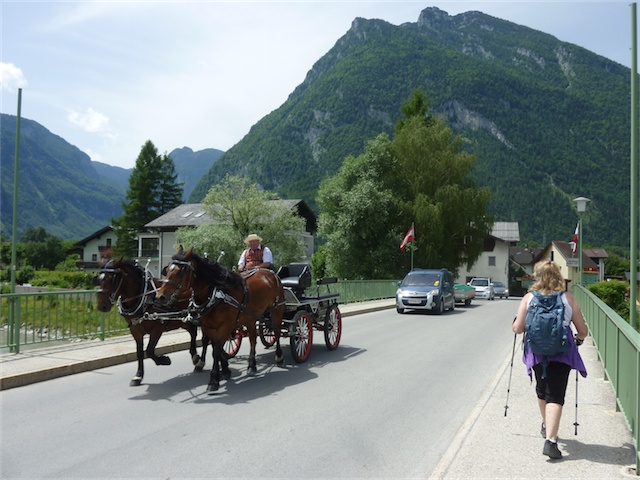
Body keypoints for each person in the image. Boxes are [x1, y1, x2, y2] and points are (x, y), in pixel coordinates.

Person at [512, 260, 588, 460]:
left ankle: (547, 425)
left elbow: (519, 328)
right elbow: (583, 331)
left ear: (537, 276)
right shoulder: (568, 298)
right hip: (561, 352)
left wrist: (515, 325)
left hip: (537, 352)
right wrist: (578, 340)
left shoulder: (529, 298)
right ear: (558, 276)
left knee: (542, 389)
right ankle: (551, 442)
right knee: (555, 395)